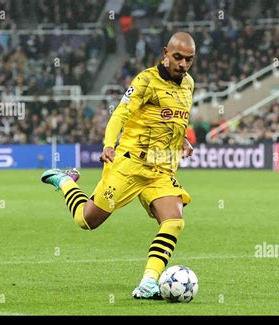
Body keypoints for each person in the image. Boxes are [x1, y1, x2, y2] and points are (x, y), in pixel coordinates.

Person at [40, 32, 196, 300]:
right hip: (130, 164)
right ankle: (65, 181)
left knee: (173, 221)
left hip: (162, 170)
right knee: (86, 221)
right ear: (165, 52)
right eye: (178, 57)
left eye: (188, 60)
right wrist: (108, 144)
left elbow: (176, 119)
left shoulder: (188, 84)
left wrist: (182, 141)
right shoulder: (146, 80)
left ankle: (148, 282)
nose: (182, 64)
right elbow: (120, 114)